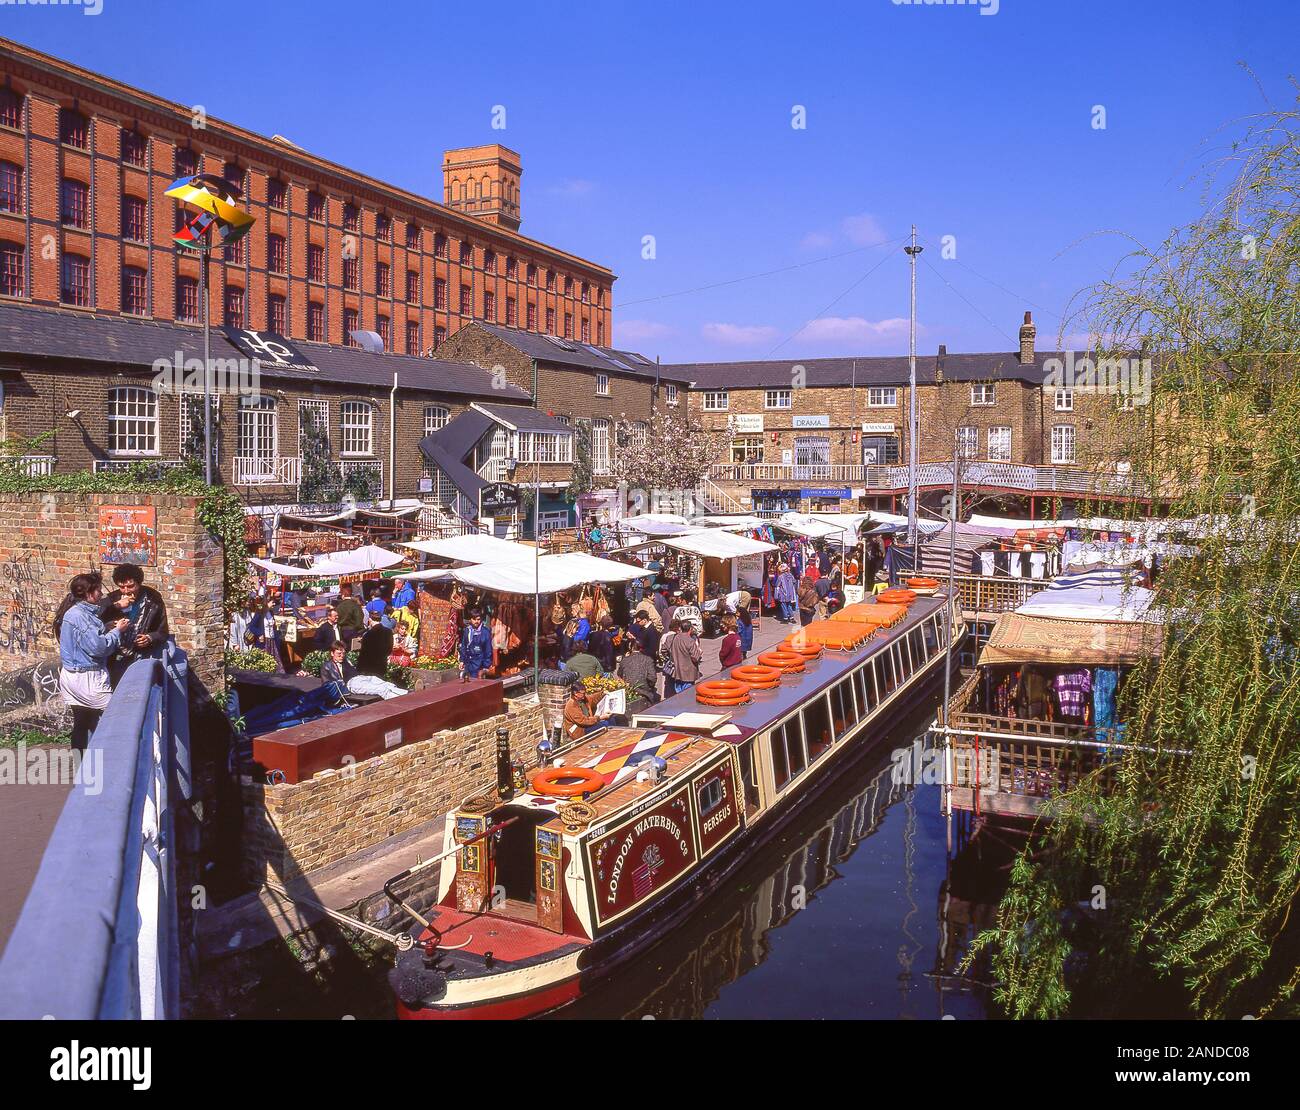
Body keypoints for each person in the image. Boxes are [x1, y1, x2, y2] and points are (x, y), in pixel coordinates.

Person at [54, 572, 129, 752]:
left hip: (70, 676)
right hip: (87, 678)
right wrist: (117, 631)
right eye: (98, 590)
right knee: (119, 718)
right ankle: (116, 763)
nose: (101, 594)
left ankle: (83, 768)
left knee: (81, 722)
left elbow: (84, 637)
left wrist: (105, 627)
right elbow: (99, 648)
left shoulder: (73, 612)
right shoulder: (81, 616)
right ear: (89, 594)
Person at [100, 563, 170, 686]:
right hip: (115, 657)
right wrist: (115, 606)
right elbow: (95, 618)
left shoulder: (153, 599)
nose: (126, 591)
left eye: (130, 586)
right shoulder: (112, 599)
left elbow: (163, 631)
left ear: (139, 583)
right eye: (122, 587)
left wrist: (150, 638)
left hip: (141, 656)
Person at [320, 641, 406, 701]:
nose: (342, 656)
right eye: (339, 654)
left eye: (343, 653)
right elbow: (326, 685)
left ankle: (407, 694)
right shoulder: (327, 666)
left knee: (384, 683)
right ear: (332, 653)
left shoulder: (345, 661)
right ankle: (401, 701)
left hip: (360, 678)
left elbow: (353, 669)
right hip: (351, 684)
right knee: (380, 689)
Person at [617, 638, 659, 711]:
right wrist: (650, 686)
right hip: (644, 692)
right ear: (641, 648)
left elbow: (619, 674)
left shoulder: (625, 660)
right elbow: (652, 678)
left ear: (630, 648)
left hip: (629, 691)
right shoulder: (648, 660)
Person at [459, 607, 495, 679]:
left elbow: (488, 651)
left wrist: (485, 667)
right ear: (470, 619)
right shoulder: (467, 630)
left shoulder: (485, 632)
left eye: (478, 619)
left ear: (481, 619)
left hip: (479, 666)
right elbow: (464, 646)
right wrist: (462, 661)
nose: (476, 621)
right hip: (468, 664)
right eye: (474, 619)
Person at [357, 610, 395, 678]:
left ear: (370, 619)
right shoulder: (388, 632)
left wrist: (359, 668)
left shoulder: (368, 635)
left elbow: (364, 653)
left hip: (369, 667)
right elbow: (389, 650)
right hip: (382, 665)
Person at [668, 619, 702, 693]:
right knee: (687, 694)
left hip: (677, 671)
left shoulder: (676, 638)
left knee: (678, 692)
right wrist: (699, 653)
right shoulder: (689, 640)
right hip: (688, 673)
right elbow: (695, 657)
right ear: (690, 628)